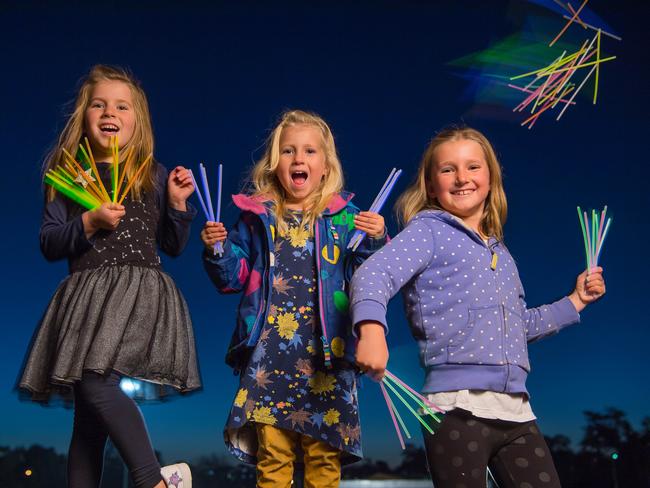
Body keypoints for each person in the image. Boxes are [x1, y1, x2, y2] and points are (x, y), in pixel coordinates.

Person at [351, 126, 606, 487]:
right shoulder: (428, 232)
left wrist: (576, 300)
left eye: (472, 167)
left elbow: (517, 326)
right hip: (453, 409)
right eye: (447, 169)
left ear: (490, 177)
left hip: (516, 411)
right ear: (430, 183)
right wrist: (372, 331)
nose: (461, 178)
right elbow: (374, 273)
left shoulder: (502, 254)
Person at [18, 65, 199, 488]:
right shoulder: (67, 176)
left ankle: (151, 480)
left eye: (121, 105)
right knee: (87, 420)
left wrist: (176, 204)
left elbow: (172, 245)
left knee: (96, 384)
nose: (108, 112)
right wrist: (89, 222)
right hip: (85, 301)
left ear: (137, 121)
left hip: (136, 292)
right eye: (98, 104)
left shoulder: (150, 173)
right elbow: (49, 243)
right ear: (84, 115)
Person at [201, 110, 387, 487]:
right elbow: (234, 279)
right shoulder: (257, 218)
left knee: (323, 461)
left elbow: (367, 278)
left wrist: (376, 239)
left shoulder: (345, 218)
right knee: (273, 461)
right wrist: (218, 250)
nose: (298, 159)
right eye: (288, 151)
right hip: (270, 359)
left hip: (328, 359)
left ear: (325, 166)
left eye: (309, 151)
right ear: (274, 165)